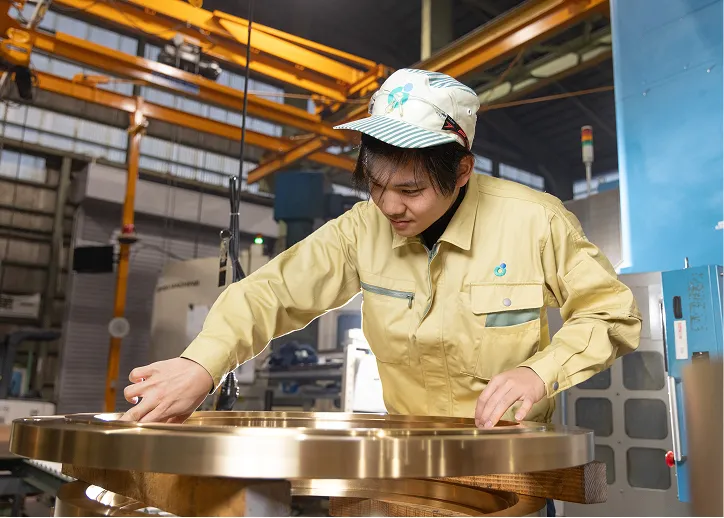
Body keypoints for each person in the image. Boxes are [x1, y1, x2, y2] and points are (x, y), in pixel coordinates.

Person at [121, 69, 642, 429]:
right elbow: (268, 293)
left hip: (509, 467)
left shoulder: (535, 222)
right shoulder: (360, 230)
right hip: (409, 465)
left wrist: (539, 372)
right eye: (375, 185)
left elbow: (612, 313)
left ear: (462, 171)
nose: (389, 206)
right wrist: (202, 364)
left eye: (410, 190)